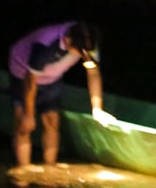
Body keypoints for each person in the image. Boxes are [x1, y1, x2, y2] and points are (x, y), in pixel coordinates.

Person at [8, 21, 110, 167]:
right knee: (23, 124)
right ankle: (23, 169)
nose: (84, 56)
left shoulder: (87, 44)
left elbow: (93, 72)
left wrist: (97, 109)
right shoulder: (46, 43)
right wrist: (29, 115)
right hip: (23, 74)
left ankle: (50, 166)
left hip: (52, 77)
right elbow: (30, 81)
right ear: (68, 41)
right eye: (80, 52)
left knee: (52, 121)